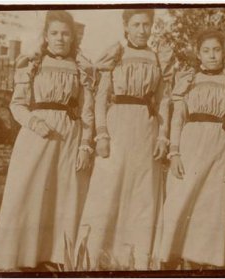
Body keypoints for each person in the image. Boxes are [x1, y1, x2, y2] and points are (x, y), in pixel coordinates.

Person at [0, 10, 94, 271]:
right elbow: (17, 105)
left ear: (73, 37)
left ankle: (55, 255)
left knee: (64, 193)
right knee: (28, 192)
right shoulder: (32, 64)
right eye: (54, 33)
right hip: (37, 135)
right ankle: (19, 255)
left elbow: (87, 110)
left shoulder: (81, 68)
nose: (60, 38)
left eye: (65, 34)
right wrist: (35, 122)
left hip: (69, 135)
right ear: (45, 36)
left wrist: (86, 143)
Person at [73, 9, 174, 271]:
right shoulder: (116, 55)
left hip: (146, 130)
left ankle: (135, 261)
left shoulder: (158, 58)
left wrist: (163, 136)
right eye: (136, 24)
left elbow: (163, 100)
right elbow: (100, 98)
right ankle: (94, 259)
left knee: (142, 196)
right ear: (126, 27)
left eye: (147, 25)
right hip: (116, 128)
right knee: (107, 191)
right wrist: (102, 134)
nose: (142, 30)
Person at [157, 29, 225, 269]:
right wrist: (174, 152)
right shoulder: (188, 80)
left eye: (216, 50)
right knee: (179, 202)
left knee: (209, 208)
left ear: (224, 53)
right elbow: (177, 119)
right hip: (189, 147)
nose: (212, 55)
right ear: (198, 54)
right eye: (206, 51)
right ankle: (170, 258)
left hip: (219, 148)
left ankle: (197, 261)